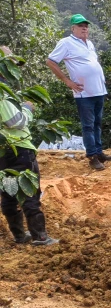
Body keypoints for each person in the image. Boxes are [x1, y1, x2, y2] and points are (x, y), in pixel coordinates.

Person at [46, 14, 111, 171]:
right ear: (73, 28)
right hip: (84, 93)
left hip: (98, 91)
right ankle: (92, 157)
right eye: (80, 25)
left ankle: (98, 151)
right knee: (88, 126)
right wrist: (67, 81)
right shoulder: (66, 43)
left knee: (97, 123)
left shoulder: (89, 43)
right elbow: (50, 61)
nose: (84, 28)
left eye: (86, 25)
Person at [0, 97, 59, 246]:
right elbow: (15, 122)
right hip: (18, 148)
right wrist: (27, 108)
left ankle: (19, 234)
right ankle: (40, 237)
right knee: (29, 192)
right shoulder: (2, 96)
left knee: (7, 193)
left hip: (2, 153)